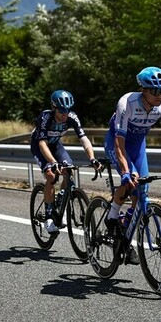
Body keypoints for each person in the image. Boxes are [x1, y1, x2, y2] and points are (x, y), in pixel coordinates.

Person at [103, 66, 161, 264]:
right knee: (130, 178)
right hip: (117, 142)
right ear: (143, 90)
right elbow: (119, 142)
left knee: (142, 192)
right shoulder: (127, 102)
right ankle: (112, 217)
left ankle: (125, 233)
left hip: (138, 144)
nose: (160, 95)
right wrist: (125, 172)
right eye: (155, 91)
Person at [30, 89, 101, 235]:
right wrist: (53, 162)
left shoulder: (72, 117)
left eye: (67, 111)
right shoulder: (45, 117)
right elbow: (42, 143)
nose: (64, 114)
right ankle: (49, 216)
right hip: (39, 146)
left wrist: (92, 158)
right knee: (51, 175)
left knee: (69, 170)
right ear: (54, 108)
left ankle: (62, 198)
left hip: (55, 145)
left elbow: (84, 139)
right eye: (61, 111)